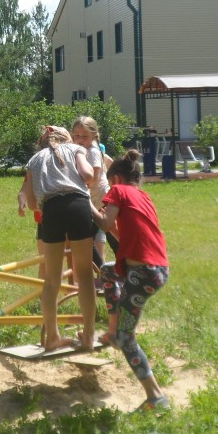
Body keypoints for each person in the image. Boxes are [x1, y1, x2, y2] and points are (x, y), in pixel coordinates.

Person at [91, 149, 171, 412]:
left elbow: (105, 223)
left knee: (127, 338)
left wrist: (84, 200)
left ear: (115, 179)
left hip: (141, 273)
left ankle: (156, 397)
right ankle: (112, 330)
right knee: (107, 272)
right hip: (157, 269)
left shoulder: (118, 190)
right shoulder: (143, 196)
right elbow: (119, 232)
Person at [21, 125, 96, 352]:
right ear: (67, 139)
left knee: (52, 278)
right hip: (78, 205)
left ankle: (52, 337)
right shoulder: (75, 149)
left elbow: (32, 204)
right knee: (84, 273)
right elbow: (88, 175)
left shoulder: (34, 160)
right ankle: (88, 336)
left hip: (51, 210)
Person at [71, 115, 112, 270]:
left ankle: (103, 271)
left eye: (85, 136)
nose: (80, 140)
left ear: (94, 135)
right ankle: (103, 271)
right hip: (93, 198)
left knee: (87, 237)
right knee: (89, 237)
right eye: (77, 136)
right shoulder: (81, 149)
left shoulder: (92, 151)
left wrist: (78, 188)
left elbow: (94, 179)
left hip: (98, 199)